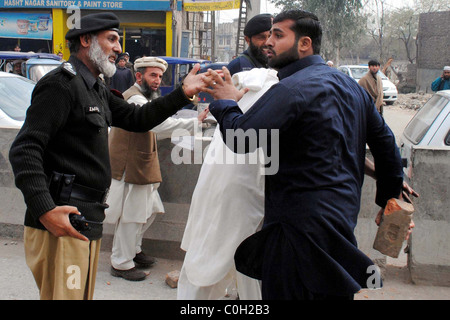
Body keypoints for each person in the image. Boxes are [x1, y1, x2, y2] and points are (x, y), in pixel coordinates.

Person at [206, 9, 406, 300]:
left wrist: (225, 101)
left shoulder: (291, 89)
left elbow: (241, 138)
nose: (268, 43)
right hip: (341, 222)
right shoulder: (352, 89)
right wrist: (388, 198)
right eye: (268, 35)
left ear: (304, 43)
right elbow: (386, 148)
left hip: (297, 230)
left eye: (278, 35)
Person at [8, 12, 209, 300]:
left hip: (86, 219)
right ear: (86, 40)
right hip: (63, 220)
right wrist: (45, 210)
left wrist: (182, 93)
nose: (118, 48)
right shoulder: (62, 84)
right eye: (111, 39)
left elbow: (137, 118)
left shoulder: (95, 87)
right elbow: (25, 149)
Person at [106, 56, 209, 281]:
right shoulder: (135, 99)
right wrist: (195, 123)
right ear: (139, 76)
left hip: (141, 164)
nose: (157, 81)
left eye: (160, 76)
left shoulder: (143, 97)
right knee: (132, 216)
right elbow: (158, 124)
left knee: (149, 211)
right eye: (153, 75)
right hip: (131, 166)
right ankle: (121, 263)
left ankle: (133, 250)